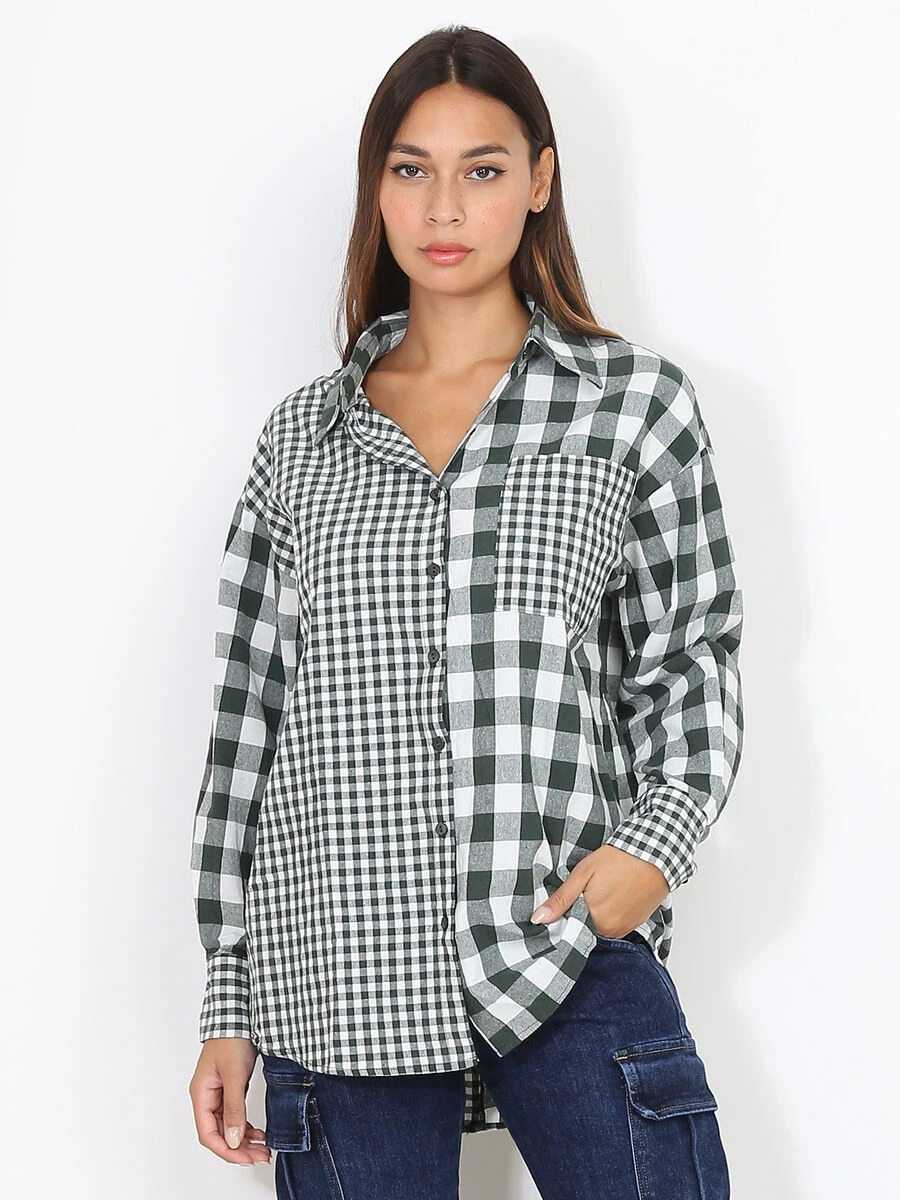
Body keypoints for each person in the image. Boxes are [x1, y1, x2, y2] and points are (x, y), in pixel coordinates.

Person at [188, 24, 744, 1200]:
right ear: (376, 188)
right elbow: (249, 725)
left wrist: (650, 852)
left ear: (539, 181)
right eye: (412, 169)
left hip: (564, 942)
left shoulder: (632, 408)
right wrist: (229, 997)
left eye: (481, 169)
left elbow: (692, 657)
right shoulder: (303, 442)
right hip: (339, 969)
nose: (444, 207)